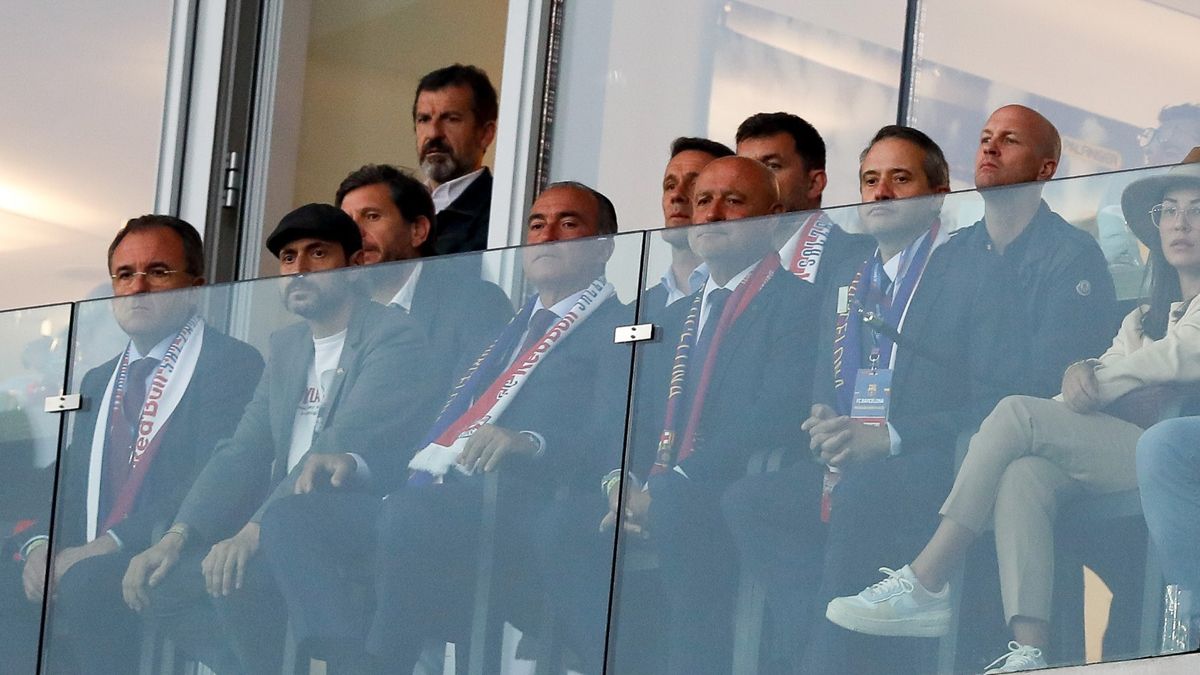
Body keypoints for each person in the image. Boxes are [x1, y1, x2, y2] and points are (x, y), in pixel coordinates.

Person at [825, 146, 1200, 673]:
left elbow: (1177, 357)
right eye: (1169, 211)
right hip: (1122, 450)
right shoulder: (1141, 316)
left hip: (1176, 461)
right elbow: (1107, 370)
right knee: (1024, 474)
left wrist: (1092, 377)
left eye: (1197, 210)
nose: (1180, 223)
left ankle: (928, 577)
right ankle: (1030, 651)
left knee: (1014, 414)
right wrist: (1082, 378)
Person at [259, 182, 632, 673]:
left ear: (603, 246)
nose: (547, 236)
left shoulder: (621, 326)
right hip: (429, 496)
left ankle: (382, 665)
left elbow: (613, 430)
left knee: (409, 518)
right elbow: (441, 425)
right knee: (292, 517)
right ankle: (346, 657)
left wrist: (532, 442)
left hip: (516, 505)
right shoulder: (508, 328)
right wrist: (356, 462)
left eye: (568, 223)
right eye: (537, 224)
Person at [121, 204, 436, 673]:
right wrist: (177, 535)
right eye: (288, 259)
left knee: (243, 564)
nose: (300, 270)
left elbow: (340, 440)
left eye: (317, 254)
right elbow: (241, 450)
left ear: (354, 267)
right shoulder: (287, 347)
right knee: (168, 584)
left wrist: (253, 532)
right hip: (284, 526)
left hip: (358, 523)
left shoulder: (394, 334)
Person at [723, 126, 971, 674]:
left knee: (862, 494)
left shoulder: (968, 268)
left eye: (899, 179)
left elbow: (993, 396)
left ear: (940, 190)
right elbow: (826, 377)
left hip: (932, 461)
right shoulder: (847, 274)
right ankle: (812, 649)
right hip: (847, 458)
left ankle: (826, 661)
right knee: (749, 500)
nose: (880, 192)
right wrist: (822, 420)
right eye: (870, 180)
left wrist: (890, 437)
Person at [0, 216, 263, 674]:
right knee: (14, 576)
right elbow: (72, 477)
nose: (138, 287)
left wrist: (112, 542)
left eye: (158, 272)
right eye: (125, 274)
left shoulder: (230, 362)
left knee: (85, 583)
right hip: (89, 554)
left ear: (197, 286)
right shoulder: (100, 379)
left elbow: (214, 477)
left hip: (168, 549)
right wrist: (41, 545)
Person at [590, 155, 822, 675]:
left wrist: (677, 480)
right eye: (703, 201)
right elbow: (637, 417)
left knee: (674, 512)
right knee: (566, 525)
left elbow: (775, 412)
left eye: (733, 202)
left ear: (775, 217)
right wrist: (620, 483)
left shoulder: (799, 303)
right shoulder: (672, 316)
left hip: (730, 485)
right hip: (661, 487)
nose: (713, 214)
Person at [336, 163, 513, 392]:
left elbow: (471, 407)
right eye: (347, 222)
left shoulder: (476, 304)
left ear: (418, 230)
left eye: (372, 216)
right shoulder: (337, 310)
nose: (355, 232)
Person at [735, 112, 874, 289]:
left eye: (772, 166)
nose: (752, 182)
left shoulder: (860, 257)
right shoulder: (732, 262)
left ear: (814, 184)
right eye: (745, 170)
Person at [413, 64, 499, 256]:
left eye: (451, 119)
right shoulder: (400, 209)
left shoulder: (501, 212)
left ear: (485, 133)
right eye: (424, 119)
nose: (434, 133)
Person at [642, 136, 733, 314]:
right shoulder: (638, 310)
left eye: (694, 184)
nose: (676, 195)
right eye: (670, 185)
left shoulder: (750, 294)